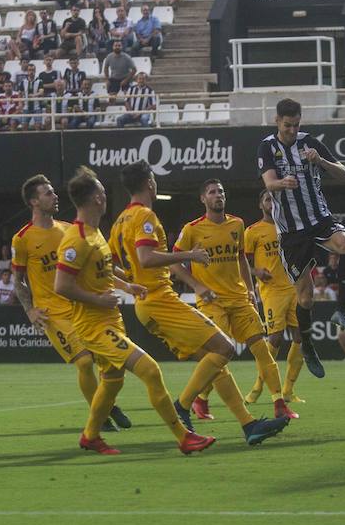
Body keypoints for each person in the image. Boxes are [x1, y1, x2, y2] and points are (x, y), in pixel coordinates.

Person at [110, 160, 291, 444]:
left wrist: (128, 285)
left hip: (149, 303)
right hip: (160, 300)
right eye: (154, 179)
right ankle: (183, 405)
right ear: (149, 183)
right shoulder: (145, 216)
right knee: (223, 348)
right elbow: (146, 258)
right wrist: (187, 257)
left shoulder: (119, 222)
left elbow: (112, 265)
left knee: (215, 360)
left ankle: (249, 424)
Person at [54, 166, 215, 455]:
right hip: (93, 326)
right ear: (95, 199)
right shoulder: (76, 239)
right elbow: (61, 285)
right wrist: (97, 299)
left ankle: (90, 436)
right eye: (102, 191)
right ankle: (184, 437)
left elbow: (101, 272)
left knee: (113, 380)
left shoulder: (94, 234)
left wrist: (128, 287)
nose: (105, 195)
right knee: (150, 370)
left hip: (110, 320)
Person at [12, 174, 132, 430]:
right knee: (84, 361)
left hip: (79, 306)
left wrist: (127, 284)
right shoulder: (22, 238)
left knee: (108, 362)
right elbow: (18, 280)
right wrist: (30, 309)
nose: (55, 196)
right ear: (34, 201)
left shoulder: (69, 229)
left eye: (54, 192)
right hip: (51, 313)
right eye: (48, 193)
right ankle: (99, 418)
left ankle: (107, 405)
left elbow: (98, 268)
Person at [173, 180, 297, 421]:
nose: (218, 195)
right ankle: (199, 399)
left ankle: (279, 404)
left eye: (220, 191)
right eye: (212, 192)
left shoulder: (237, 224)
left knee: (262, 349)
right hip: (211, 301)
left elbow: (241, 258)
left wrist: (251, 290)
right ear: (203, 199)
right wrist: (198, 286)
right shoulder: (192, 229)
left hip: (239, 298)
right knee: (219, 355)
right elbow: (175, 261)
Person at [257, 98, 345, 379]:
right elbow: (268, 183)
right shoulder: (267, 146)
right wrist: (282, 183)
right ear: (277, 122)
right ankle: (308, 345)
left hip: (319, 219)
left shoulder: (309, 143)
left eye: (296, 125)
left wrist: (321, 160)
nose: (291, 130)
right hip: (291, 233)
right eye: (287, 125)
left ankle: (340, 310)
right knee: (306, 297)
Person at [242, 190, 306, 405]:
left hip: (294, 287)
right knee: (276, 338)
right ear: (261, 204)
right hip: (272, 292)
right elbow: (241, 262)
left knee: (301, 337)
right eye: (267, 198)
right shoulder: (253, 232)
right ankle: (258, 387)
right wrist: (256, 272)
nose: (272, 202)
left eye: (274, 198)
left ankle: (288, 390)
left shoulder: (289, 227)